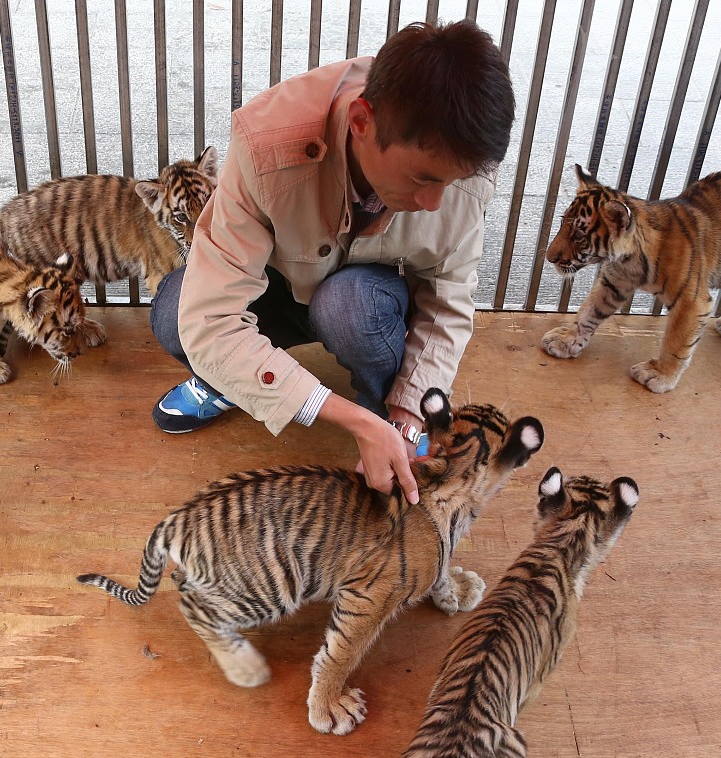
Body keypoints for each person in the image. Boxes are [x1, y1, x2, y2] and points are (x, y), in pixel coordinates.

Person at [149, 20, 515, 505]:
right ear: (362, 122)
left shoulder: (462, 177)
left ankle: (390, 416)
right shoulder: (263, 146)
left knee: (348, 304)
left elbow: (448, 303)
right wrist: (348, 418)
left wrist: (407, 413)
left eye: (449, 183)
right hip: (276, 289)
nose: (433, 203)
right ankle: (237, 383)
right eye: (423, 178)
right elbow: (210, 320)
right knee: (175, 314)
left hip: (364, 303)